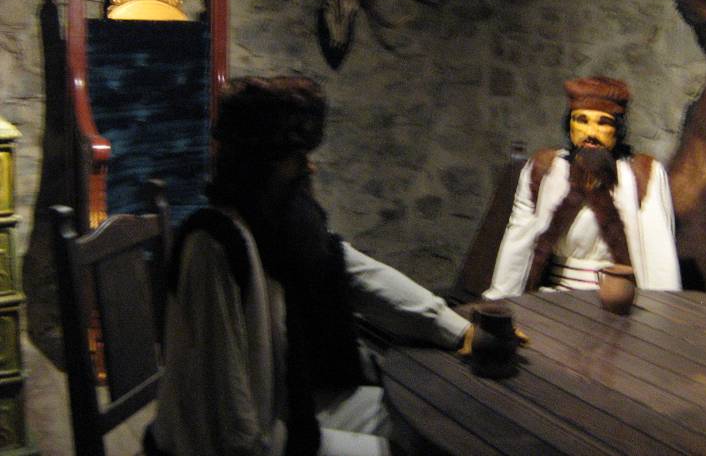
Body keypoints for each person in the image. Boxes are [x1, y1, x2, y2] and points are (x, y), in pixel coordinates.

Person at [147, 76, 470, 456]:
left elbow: (360, 276)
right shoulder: (215, 246)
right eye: (297, 156)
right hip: (249, 439)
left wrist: (460, 330)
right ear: (260, 163)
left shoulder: (281, 228)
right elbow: (228, 425)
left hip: (291, 402)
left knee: (435, 424)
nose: (310, 168)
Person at [483, 76, 681, 300]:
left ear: (617, 129)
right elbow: (518, 239)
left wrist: (662, 309)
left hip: (615, 300)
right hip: (551, 297)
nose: (591, 133)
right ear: (570, 124)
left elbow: (658, 252)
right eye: (582, 121)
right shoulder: (544, 170)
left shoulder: (641, 174)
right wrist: (501, 300)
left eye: (603, 123)